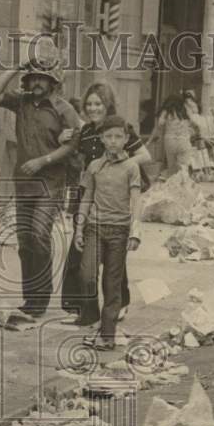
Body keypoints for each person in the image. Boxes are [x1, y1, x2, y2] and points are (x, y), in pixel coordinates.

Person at [0, 45, 80, 318]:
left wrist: (44, 160)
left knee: (39, 234)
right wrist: (18, 66)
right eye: (33, 77)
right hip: (24, 182)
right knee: (25, 240)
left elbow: (74, 145)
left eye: (43, 78)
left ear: (52, 82)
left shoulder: (64, 109)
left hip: (51, 182)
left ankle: (41, 295)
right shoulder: (22, 102)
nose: (37, 82)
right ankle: (31, 298)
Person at [60, 82, 150, 325]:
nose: (93, 108)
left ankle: (120, 303)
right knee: (80, 255)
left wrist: (118, 167)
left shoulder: (119, 128)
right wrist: (63, 138)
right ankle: (83, 308)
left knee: (113, 259)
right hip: (89, 195)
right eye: (89, 104)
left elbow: (146, 155)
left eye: (98, 103)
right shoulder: (86, 131)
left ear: (107, 104)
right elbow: (76, 157)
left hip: (115, 198)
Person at [74, 116, 143, 351]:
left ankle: (107, 335)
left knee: (112, 284)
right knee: (87, 276)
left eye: (118, 137)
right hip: (94, 227)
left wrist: (135, 231)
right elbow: (86, 198)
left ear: (126, 139)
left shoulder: (131, 167)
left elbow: (136, 200)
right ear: (102, 139)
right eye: (108, 136)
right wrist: (79, 228)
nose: (113, 141)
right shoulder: (94, 166)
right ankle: (93, 319)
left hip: (119, 231)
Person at [152, 93, 193, 177]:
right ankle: (183, 180)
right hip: (184, 140)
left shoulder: (166, 112)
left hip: (170, 141)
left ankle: (173, 181)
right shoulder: (185, 110)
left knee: (172, 167)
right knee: (184, 167)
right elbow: (193, 122)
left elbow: (160, 124)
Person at [183, 91, 214, 182]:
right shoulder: (186, 105)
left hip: (198, 130)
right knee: (194, 152)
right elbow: (190, 119)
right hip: (191, 130)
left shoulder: (193, 105)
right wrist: (196, 128)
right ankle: (198, 173)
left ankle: (206, 172)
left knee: (202, 151)